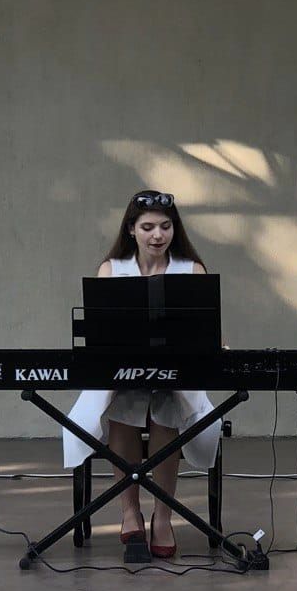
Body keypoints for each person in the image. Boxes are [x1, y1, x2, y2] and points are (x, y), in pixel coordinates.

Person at [62, 190, 219, 558]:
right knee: (124, 406)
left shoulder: (191, 270)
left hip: (176, 375)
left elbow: (206, 332)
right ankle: (129, 512)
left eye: (165, 226)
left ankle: (162, 517)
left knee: (167, 409)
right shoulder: (111, 269)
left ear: (174, 229)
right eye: (148, 227)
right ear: (131, 229)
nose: (157, 235)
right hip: (123, 373)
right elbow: (101, 335)